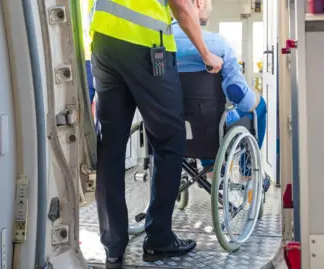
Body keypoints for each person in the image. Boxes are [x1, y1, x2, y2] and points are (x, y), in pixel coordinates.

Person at [88, 0, 223, 267]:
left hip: (103, 46)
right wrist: (206, 54)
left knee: (110, 149)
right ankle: (158, 238)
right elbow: (180, 4)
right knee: (170, 141)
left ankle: (113, 247)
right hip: (146, 46)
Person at [173, 0, 269, 185]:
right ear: (199, 3)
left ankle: (208, 164)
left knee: (197, 115)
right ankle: (247, 175)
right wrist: (255, 98)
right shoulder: (216, 44)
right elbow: (238, 95)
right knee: (258, 107)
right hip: (210, 128)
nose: (211, 8)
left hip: (170, 125)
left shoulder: (159, 41)